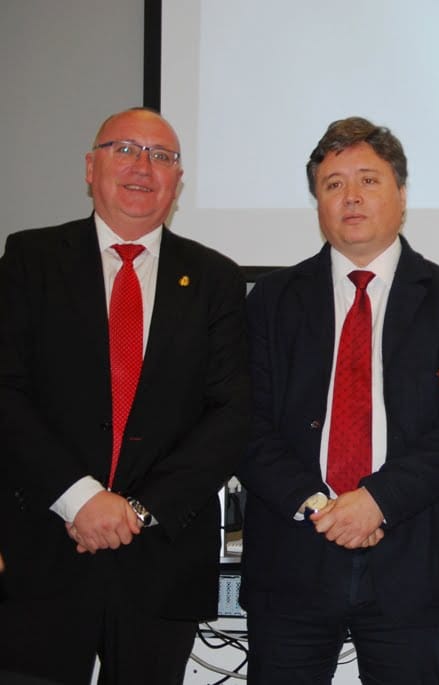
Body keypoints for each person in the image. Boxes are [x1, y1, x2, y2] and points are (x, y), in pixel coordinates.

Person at [238, 116, 439, 684]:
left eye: (368, 180)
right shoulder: (271, 300)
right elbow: (244, 423)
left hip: (413, 560)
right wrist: (319, 506)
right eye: (333, 184)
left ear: (401, 196)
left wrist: (375, 501)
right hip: (294, 557)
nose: (351, 197)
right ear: (317, 203)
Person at [0, 107, 250, 684]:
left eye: (162, 156)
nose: (144, 166)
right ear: (91, 168)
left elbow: (231, 415)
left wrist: (135, 510)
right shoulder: (30, 260)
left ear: (178, 181)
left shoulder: (216, 279)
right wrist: (80, 499)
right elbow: (5, 392)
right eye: (125, 149)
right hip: (45, 547)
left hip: (160, 559)